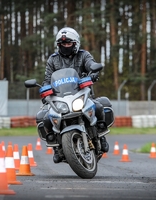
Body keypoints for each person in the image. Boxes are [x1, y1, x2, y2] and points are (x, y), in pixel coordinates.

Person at [41, 27, 109, 163]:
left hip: (81, 94)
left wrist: (94, 72)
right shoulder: (53, 59)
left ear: (75, 43)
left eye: (68, 43)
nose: (65, 46)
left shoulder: (84, 55)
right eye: (62, 44)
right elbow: (47, 78)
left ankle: (101, 136)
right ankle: (57, 147)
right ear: (58, 45)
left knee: (100, 106)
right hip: (60, 98)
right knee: (44, 117)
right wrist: (44, 90)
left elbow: (91, 64)